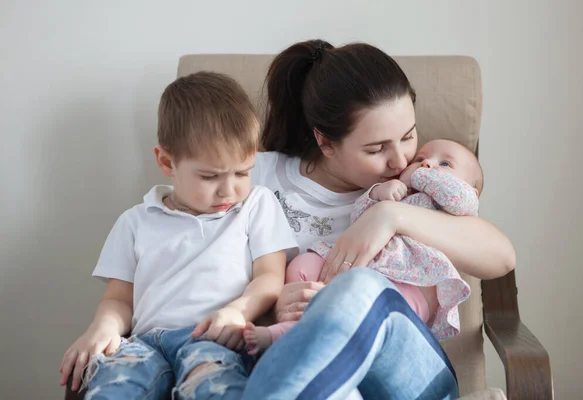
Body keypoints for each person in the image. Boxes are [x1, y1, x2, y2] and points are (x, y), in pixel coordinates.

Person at [240, 40, 515, 400]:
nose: (401, 159)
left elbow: (501, 257)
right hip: (309, 367)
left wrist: (391, 215)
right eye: (376, 149)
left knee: (358, 286)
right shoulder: (254, 177)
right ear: (324, 142)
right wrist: (273, 302)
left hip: (408, 374)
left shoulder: (422, 186)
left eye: (408, 136)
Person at [58, 71, 297, 399]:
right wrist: (104, 326)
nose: (229, 189)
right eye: (209, 176)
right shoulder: (135, 222)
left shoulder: (256, 205)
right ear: (166, 161)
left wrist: (238, 311)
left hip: (210, 340)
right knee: (114, 386)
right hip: (143, 343)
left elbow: (270, 279)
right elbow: (118, 299)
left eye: (243, 171)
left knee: (216, 386)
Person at [243, 139, 483, 355]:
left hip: (410, 283)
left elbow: (460, 199)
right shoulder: (399, 191)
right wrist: (378, 195)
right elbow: (358, 218)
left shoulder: (456, 211)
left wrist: (420, 174)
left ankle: (287, 337)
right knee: (304, 264)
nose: (427, 163)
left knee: (357, 315)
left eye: (446, 164)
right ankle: (285, 331)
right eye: (420, 159)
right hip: (359, 266)